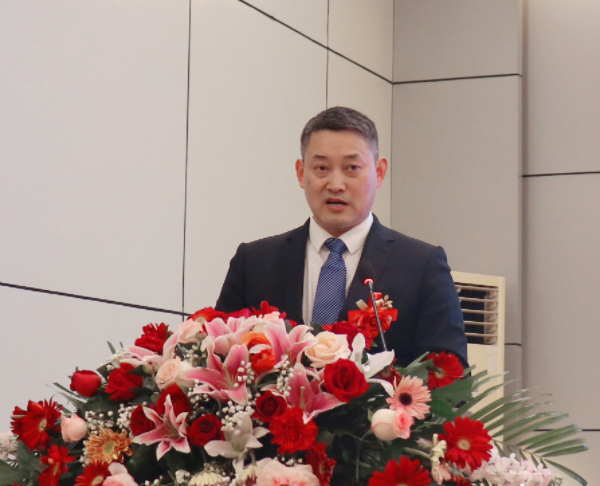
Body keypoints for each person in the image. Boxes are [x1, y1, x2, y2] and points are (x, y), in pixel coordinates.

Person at [215, 107, 467, 367]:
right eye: (321, 168)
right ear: (301, 172)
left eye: (352, 168)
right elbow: (216, 357)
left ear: (379, 172)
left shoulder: (421, 266)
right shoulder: (254, 263)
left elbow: (449, 374)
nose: (335, 184)